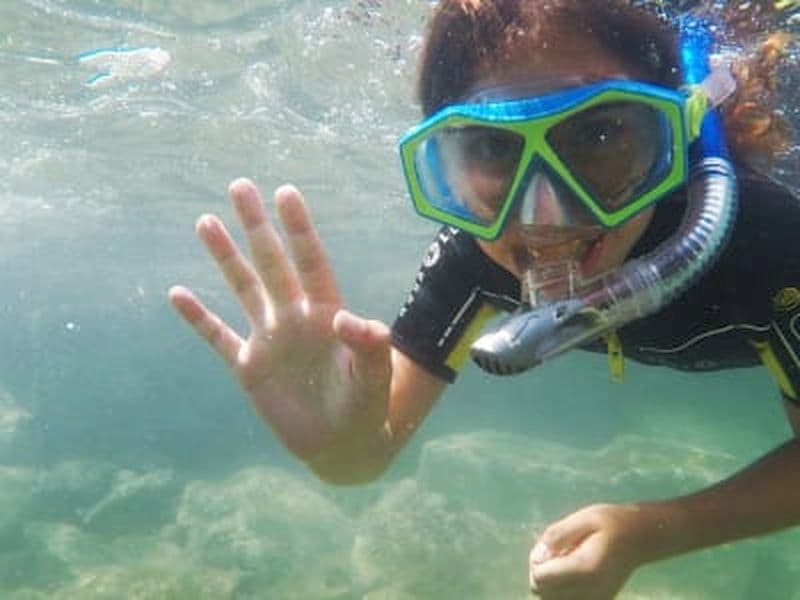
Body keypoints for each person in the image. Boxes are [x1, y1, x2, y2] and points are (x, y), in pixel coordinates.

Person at [169, 1, 800, 597]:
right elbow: (361, 456)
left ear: (671, 139)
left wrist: (651, 531)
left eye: (600, 135)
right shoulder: (478, 252)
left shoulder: (767, 243)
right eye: (495, 146)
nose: (545, 215)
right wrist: (338, 442)